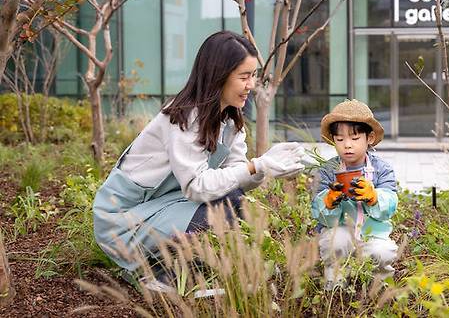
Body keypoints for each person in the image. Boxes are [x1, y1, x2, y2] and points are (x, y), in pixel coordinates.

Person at [92, 31, 305, 290]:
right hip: (122, 221)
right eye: (244, 76)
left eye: (254, 75)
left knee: (235, 201)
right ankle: (156, 272)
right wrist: (255, 166)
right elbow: (197, 186)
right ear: (219, 76)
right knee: (223, 210)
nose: (252, 84)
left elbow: (236, 181)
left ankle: (178, 270)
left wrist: (266, 167)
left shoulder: (230, 120)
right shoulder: (183, 118)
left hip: (167, 206)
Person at [311, 99, 398, 289]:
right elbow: (316, 211)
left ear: (370, 138)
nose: (347, 145)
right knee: (336, 243)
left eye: (355, 138)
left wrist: (374, 197)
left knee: (382, 252)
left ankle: (379, 285)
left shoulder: (382, 169)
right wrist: (328, 202)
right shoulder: (328, 170)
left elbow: (390, 205)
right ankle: (335, 282)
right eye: (340, 140)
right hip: (340, 229)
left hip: (372, 233)